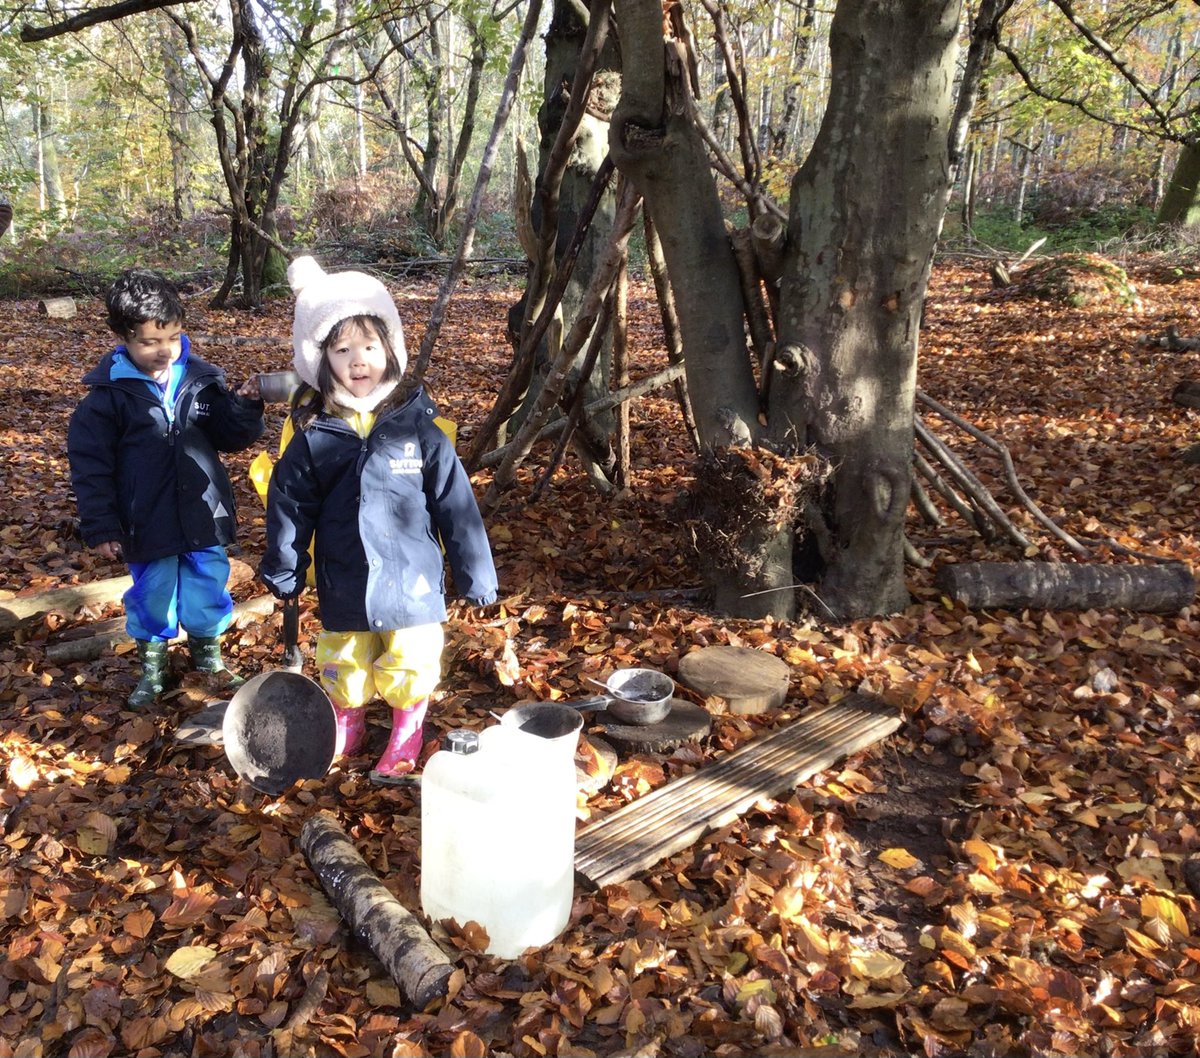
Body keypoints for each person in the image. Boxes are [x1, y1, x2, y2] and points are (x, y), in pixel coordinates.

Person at [260, 256, 498, 783]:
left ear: (390, 350)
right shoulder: (315, 438)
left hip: (412, 580)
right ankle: (348, 718)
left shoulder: (420, 430)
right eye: (341, 350)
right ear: (319, 360)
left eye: (369, 345)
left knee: (410, 656)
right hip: (345, 576)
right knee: (345, 653)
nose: (358, 360)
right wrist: (285, 565)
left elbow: (456, 506)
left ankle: (406, 728)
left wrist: (476, 574)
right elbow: (289, 506)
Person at [67, 269, 265, 708]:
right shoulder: (107, 397)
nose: (164, 351)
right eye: (150, 342)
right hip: (145, 519)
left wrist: (246, 406)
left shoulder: (200, 380)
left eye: (173, 338)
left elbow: (230, 437)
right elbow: (90, 466)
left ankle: (207, 658)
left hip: (202, 512)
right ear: (122, 336)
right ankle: (153, 668)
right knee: (153, 592)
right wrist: (101, 525)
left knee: (207, 584)